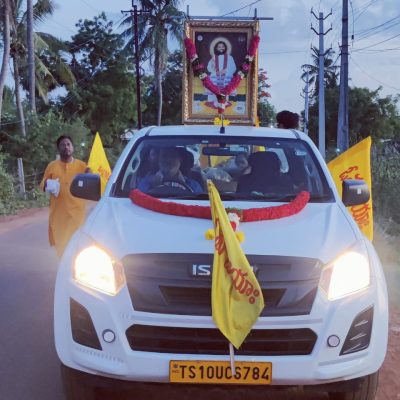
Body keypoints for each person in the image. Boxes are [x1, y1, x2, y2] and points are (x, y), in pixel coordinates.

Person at [40, 135, 88, 256]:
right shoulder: (52, 166)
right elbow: (42, 184)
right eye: (63, 145)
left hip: (77, 216)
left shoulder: (83, 166)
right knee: (62, 249)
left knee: (78, 248)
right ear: (58, 149)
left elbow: (91, 183)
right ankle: (64, 271)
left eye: (68, 144)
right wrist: (47, 184)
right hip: (59, 216)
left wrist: (90, 174)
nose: (66, 147)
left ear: (72, 148)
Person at [138, 147, 203, 193]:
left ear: (180, 160)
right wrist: (152, 186)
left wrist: (185, 185)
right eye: (164, 156)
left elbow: (199, 204)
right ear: (158, 161)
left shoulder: (193, 185)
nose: (168, 160)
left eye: (173, 156)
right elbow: (138, 198)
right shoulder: (147, 181)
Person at [206, 38, 237, 109]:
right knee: (212, 87)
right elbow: (209, 68)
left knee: (226, 88)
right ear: (216, 48)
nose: (221, 48)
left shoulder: (229, 58)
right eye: (219, 47)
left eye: (223, 46)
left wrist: (226, 71)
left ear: (225, 48)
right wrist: (215, 69)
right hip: (215, 77)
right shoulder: (213, 58)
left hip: (225, 77)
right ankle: (212, 102)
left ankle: (224, 103)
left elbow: (233, 68)